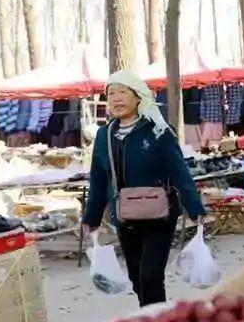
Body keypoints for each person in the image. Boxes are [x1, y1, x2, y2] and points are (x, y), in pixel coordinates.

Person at [82, 70, 206, 307]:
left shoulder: (159, 130)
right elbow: (98, 178)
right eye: (111, 94)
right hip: (125, 217)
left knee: (150, 276)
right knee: (136, 278)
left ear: (138, 97)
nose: (116, 98)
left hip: (159, 216)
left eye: (122, 92)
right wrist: (92, 216)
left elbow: (179, 171)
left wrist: (194, 205)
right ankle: (151, 317)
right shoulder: (104, 135)